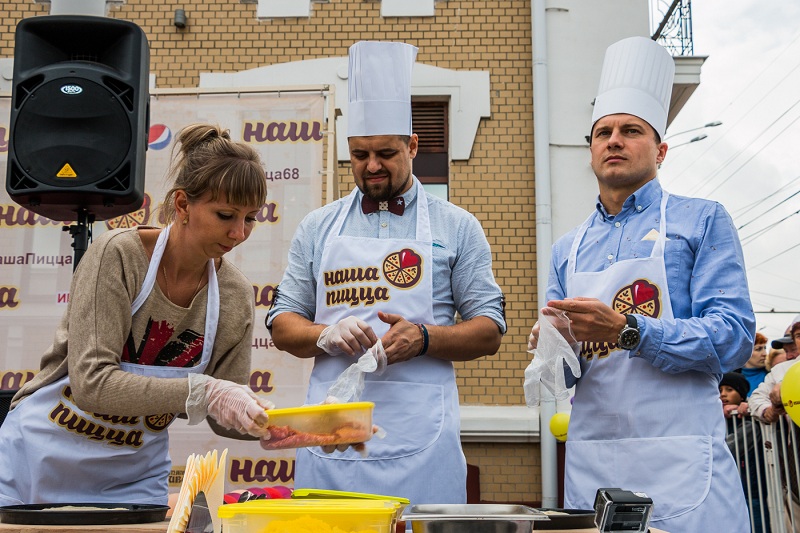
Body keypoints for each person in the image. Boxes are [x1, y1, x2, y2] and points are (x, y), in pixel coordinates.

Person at [528, 37, 755, 532]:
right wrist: (554, 348)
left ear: (661, 149)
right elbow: (563, 378)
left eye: (631, 130)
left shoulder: (702, 221)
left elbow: (734, 337)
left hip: (681, 460)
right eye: (603, 131)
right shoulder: (568, 247)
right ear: (589, 149)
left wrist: (631, 330)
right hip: (593, 461)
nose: (614, 140)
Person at [266, 41, 505, 506]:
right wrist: (325, 334)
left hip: (422, 440)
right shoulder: (318, 227)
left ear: (413, 145)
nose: (371, 166)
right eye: (359, 155)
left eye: (385, 153)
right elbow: (281, 325)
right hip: (333, 439)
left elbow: (489, 330)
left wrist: (426, 338)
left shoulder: (457, 226)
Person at [0, 124, 273, 506]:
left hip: (133, 477)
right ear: (182, 205)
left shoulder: (234, 294)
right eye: (226, 215)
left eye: (251, 218)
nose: (239, 233)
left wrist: (277, 426)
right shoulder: (118, 256)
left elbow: (220, 414)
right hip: (40, 456)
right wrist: (205, 390)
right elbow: (92, 383)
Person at [720, 373, 770, 533]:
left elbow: (728, 448)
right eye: (720, 390)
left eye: (729, 389)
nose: (723, 394)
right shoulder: (719, 419)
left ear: (741, 395)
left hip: (752, 491)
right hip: (728, 491)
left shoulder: (751, 423)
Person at [749, 320, 800, 423]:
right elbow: (756, 397)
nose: (788, 356)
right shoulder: (780, 370)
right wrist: (768, 410)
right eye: (798, 336)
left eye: (793, 349)